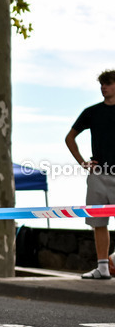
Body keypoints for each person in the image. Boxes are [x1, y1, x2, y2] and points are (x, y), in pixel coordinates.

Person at [65, 69, 115, 279]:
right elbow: (69, 138)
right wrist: (83, 163)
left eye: (108, 83)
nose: (103, 87)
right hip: (97, 176)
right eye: (102, 84)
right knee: (98, 223)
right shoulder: (91, 112)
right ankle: (103, 268)